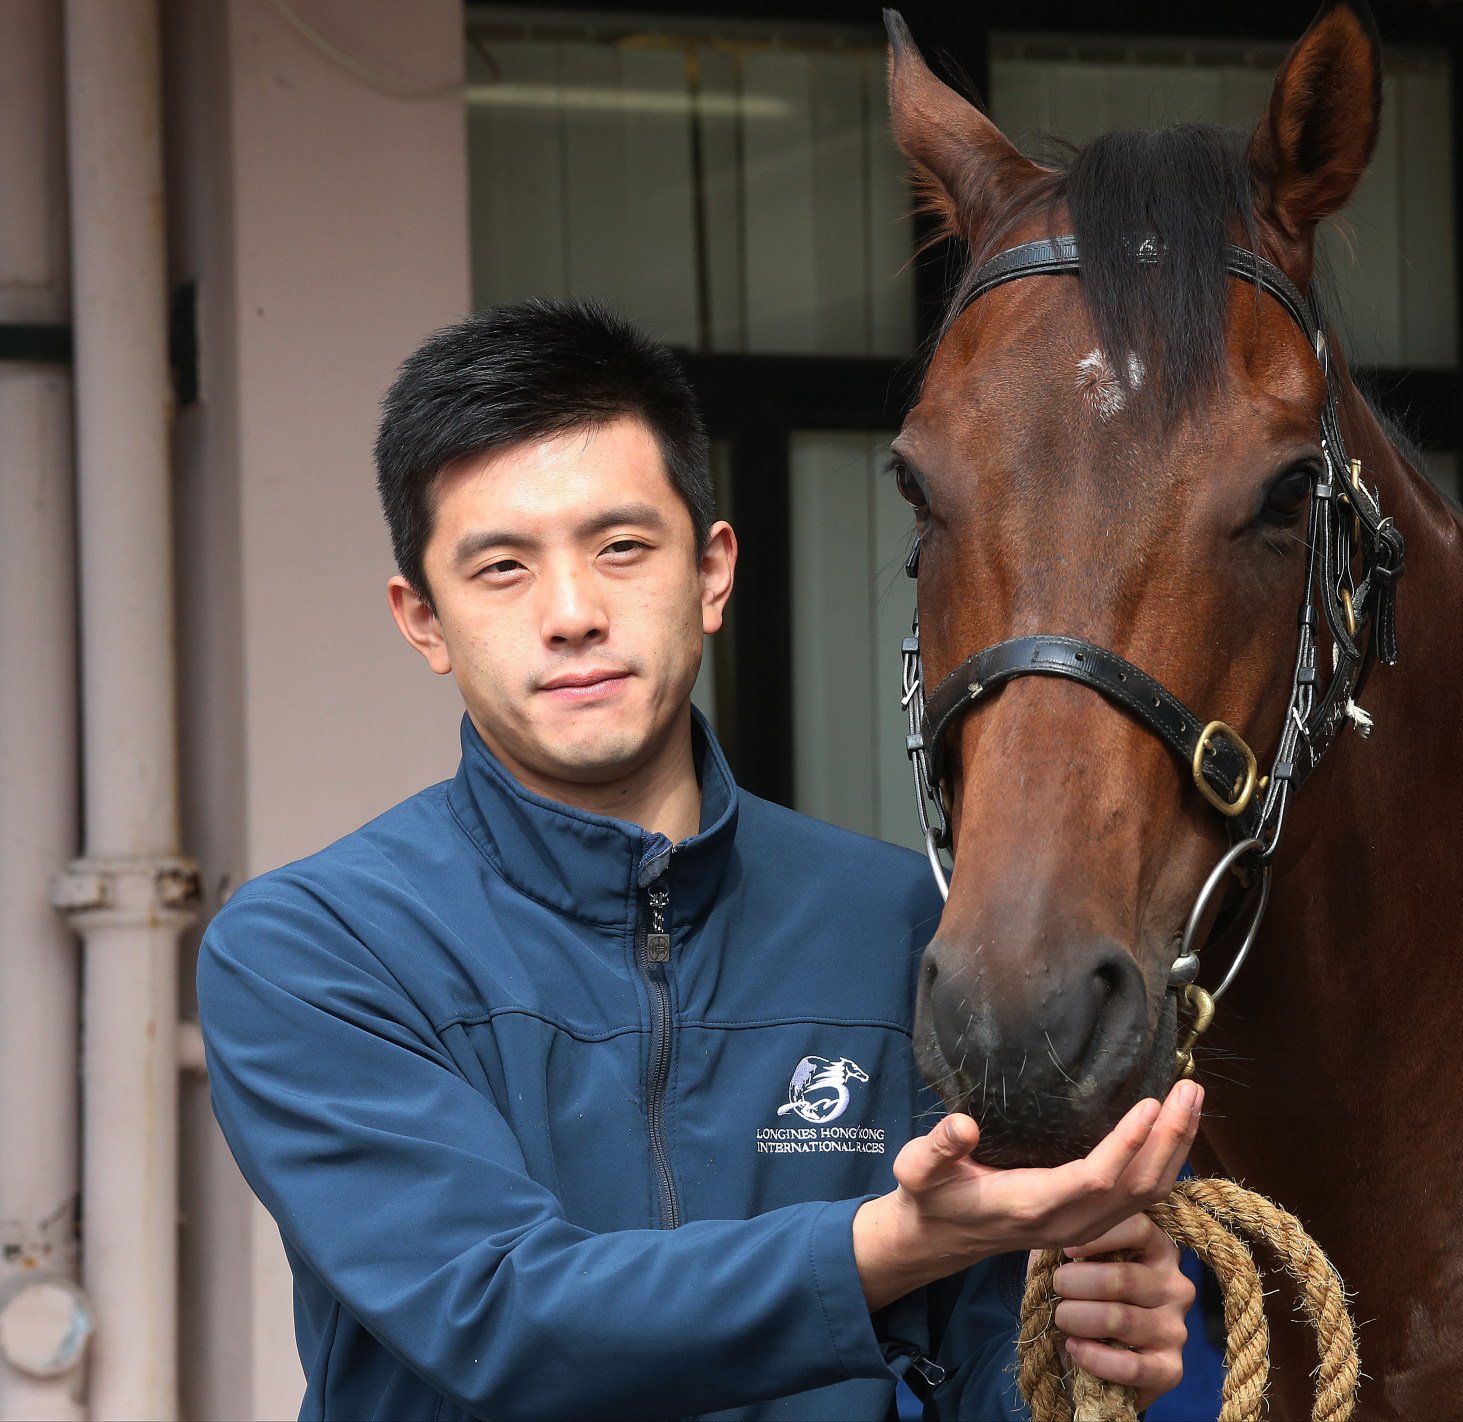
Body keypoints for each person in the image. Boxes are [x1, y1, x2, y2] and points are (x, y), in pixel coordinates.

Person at [197, 299, 1202, 1422]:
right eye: (501, 569)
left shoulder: (907, 927)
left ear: (713, 573)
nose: (573, 613)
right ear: (422, 619)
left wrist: (1086, 1339)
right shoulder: (311, 951)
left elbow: (980, 1374)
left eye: (622, 548)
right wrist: (880, 1246)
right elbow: (498, 1312)